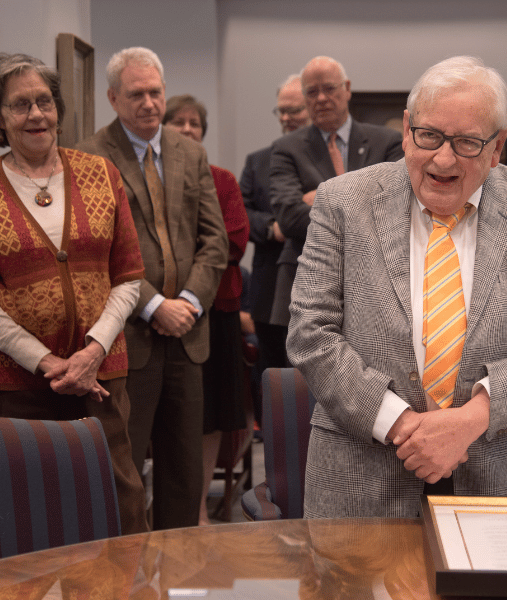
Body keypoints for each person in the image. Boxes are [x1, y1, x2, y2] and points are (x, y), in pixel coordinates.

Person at [288, 55, 507, 518]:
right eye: (429, 136)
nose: (443, 159)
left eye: (467, 143)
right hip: (361, 478)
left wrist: (467, 422)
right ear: (406, 130)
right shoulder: (343, 201)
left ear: (497, 146)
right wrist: (405, 426)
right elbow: (311, 331)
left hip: (505, 474)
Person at [0, 52, 148, 534]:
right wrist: (48, 363)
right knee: (22, 507)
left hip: (101, 379)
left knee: (119, 499)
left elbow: (128, 274)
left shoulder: (101, 174)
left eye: (44, 102)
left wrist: (92, 352)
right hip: (12, 385)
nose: (36, 115)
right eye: (20, 105)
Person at [77, 47, 228, 530]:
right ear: (113, 98)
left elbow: (215, 240)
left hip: (188, 335)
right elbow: (96, 252)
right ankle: (126, 576)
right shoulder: (90, 157)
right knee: (125, 469)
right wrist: (154, 305)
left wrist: (187, 302)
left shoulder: (191, 152)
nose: (148, 103)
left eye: (155, 92)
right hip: (128, 338)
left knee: (184, 471)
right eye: (136, 94)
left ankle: (178, 578)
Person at [162, 94, 250, 526]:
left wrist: (182, 260)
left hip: (217, 311)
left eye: (194, 123)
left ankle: (196, 509)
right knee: (171, 413)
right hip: (158, 313)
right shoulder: (150, 178)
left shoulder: (222, 179)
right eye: (177, 122)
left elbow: (234, 240)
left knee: (213, 412)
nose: (186, 129)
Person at [269, 56, 404, 330]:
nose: (321, 98)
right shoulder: (286, 148)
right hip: (306, 282)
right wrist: (364, 202)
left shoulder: (387, 142)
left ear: (347, 88)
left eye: (329, 89)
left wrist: (319, 197)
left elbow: (395, 208)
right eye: (312, 91)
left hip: (375, 283)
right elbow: (289, 218)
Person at [240, 74, 310, 415]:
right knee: (274, 376)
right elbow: (241, 215)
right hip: (270, 290)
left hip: (321, 282)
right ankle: (277, 453)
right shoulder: (258, 161)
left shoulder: (329, 160)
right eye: (280, 111)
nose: (285, 118)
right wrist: (275, 228)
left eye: (293, 110)